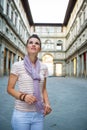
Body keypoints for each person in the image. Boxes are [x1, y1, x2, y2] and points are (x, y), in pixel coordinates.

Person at [7, 34, 52, 130]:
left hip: (38, 113)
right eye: (30, 42)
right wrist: (23, 97)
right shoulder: (17, 65)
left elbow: (43, 89)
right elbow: (9, 89)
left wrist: (47, 103)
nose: (33, 45)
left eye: (37, 43)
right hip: (21, 113)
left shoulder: (44, 67)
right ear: (26, 46)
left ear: (40, 48)